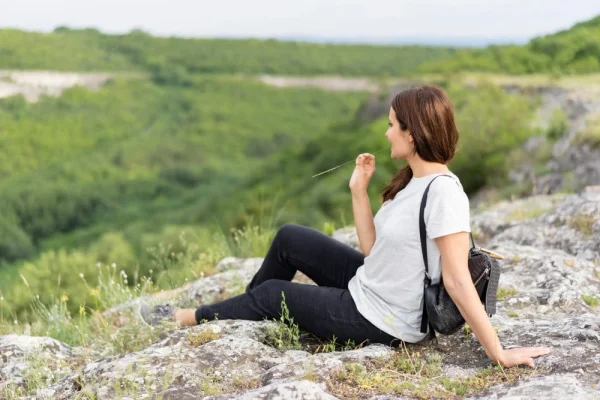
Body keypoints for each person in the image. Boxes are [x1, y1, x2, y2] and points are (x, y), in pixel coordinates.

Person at [140, 85, 551, 368]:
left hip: (385, 319)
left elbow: (458, 281)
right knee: (289, 238)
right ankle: (243, 314)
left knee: (271, 293)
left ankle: (186, 318)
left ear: (414, 134)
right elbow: (373, 252)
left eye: (393, 125)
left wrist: (497, 351)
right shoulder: (413, 180)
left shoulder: (444, 194)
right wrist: (359, 191)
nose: (386, 131)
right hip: (370, 283)